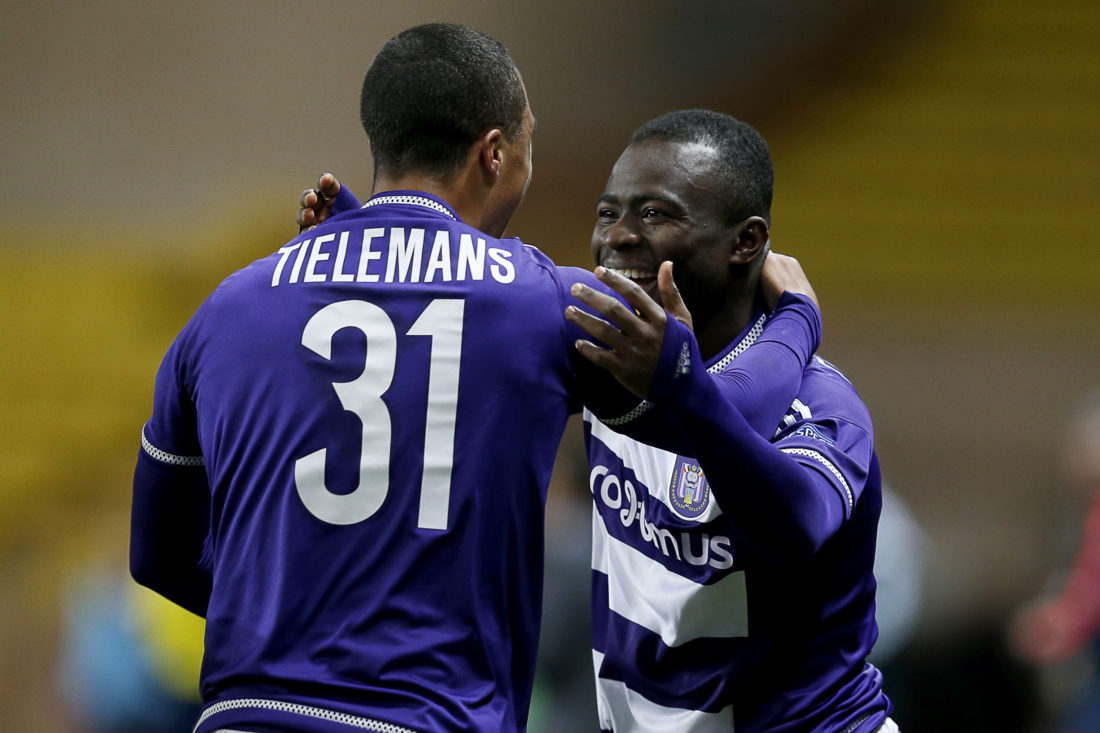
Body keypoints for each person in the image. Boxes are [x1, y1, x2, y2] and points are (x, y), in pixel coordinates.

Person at [130, 23, 824, 733]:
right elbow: (722, 413)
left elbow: (157, 554)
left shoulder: (229, 306)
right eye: (529, 144)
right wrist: (797, 317)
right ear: (495, 152)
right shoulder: (544, 302)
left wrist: (296, 614)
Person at [306, 111, 895, 731]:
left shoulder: (822, 405)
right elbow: (455, 336)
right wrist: (370, 244)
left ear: (745, 242)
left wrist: (781, 331)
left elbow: (794, 523)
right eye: (608, 212)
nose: (618, 237)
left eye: (656, 214)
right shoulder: (606, 360)